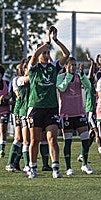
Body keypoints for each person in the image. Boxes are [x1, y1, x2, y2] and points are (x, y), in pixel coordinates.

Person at [26, 26, 70, 178]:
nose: (45, 55)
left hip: (51, 108)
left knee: (52, 138)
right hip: (36, 107)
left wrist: (55, 40)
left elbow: (66, 54)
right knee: (35, 140)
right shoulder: (33, 68)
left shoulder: (53, 67)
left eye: (47, 53)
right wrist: (46, 41)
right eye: (43, 53)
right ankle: (32, 168)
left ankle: (56, 169)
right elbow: (33, 56)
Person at [56, 57, 93, 175]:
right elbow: (62, 88)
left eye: (75, 65)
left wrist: (82, 75)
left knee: (85, 138)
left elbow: (89, 86)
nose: (73, 67)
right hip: (67, 114)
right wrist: (68, 77)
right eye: (71, 65)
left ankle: (85, 164)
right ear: (66, 66)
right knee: (68, 141)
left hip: (79, 112)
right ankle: (68, 167)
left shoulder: (79, 76)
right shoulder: (60, 77)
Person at [7, 59, 29, 172]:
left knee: (26, 139)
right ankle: (10, 163)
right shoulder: (16, 80)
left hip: (27, 110)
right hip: (18, 110)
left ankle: (16, 163)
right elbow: (18, 94)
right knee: (19, 137)